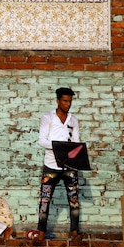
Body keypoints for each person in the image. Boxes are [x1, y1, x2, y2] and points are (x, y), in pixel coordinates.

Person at [37, 86, 81, 238]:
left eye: (70, 101)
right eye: (64, 101)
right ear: (57, 101)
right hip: (51, 165)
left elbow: (76, 142)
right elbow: (42, 141)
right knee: (45, 200)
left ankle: (74, 232)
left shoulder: (73, 120)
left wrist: (73, 151)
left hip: (69, 166)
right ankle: (41, 232)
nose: (67, 104)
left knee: (74, 199)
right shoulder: (47, 117)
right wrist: (59, 146)